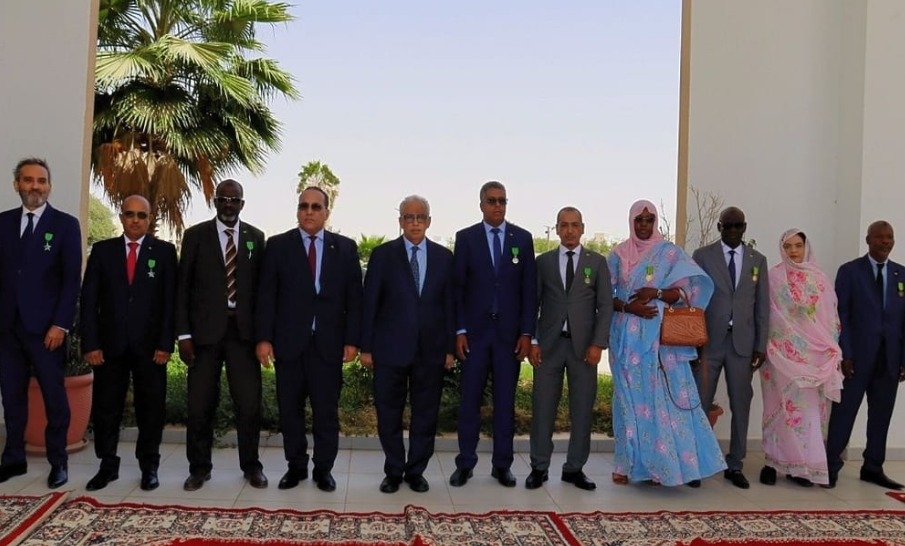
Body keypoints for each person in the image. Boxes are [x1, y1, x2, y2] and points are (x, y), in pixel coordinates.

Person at [607, 199, 725, 487]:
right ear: (631, 221)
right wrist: (629, 307)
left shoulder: (670, 253)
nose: (644, 225)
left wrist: (656, 293)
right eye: (639, 220)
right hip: (627, 343)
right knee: (628, 402)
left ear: (655, 222)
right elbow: (604, 296)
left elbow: (686, 292)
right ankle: (626, 464)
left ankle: (662, 466)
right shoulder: (618, 255)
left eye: (649, 220)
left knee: (663, 404)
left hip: (663, 343)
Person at [256, 186, 362, 493]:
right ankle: (296, 467)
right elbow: (267, 296)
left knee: (326, 414)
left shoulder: (345, 248)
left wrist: (352, 340)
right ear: (298, 210)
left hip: (329, 346)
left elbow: (355, 299)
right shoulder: (278, 246)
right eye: (304, 206)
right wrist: (264, 338)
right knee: (290, 413)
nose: (309, 211)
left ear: (327, 212)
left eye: (316, 206)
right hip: (289, 345)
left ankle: (323, 469)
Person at [80, 195, 177, 491]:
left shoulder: (164, 252)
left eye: (141, 215)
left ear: (149, 219)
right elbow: (89, 300)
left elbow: (170, 302)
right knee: (106, 408)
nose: (135, 220)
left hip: (151, 349)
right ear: (121, 217)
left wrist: (165, 343)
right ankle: (107, 465)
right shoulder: (102, 251)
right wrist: (91, 344)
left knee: (151, 409)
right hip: (110, 347)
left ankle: (149, 466)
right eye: (130, 214)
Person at [176, 180, 268, 491]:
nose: (229, 204)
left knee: (249, 404)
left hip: (243, 335)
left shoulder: (256, 238)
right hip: (204, 334)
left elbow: (261, 291)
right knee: (200, 404)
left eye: (235, 199)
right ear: (215, 202)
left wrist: (263, 336)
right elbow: (183, 288)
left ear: (242, 204)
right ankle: (199, 468)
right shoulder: (195, 236)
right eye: (223, 199)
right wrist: (183, 335)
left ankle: (251, 466)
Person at [360, 195, 455, 494]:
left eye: (420, 217)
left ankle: (416, 471)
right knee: (389, 413)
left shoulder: (444, 257)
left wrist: (449, 348)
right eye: (409, 217)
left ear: (429, 221)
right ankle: (393, 470)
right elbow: (370, 303)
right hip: (389, 349)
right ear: (400, 221)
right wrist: (366, 347)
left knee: (426, 414)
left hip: (431, 350)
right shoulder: (382, 255)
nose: (415, 222)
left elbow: (450, 305)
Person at [0, 158, 81, 489]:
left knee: (54, 398)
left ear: (49, 186)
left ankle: (58, 461)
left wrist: (60, 324)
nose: (35, 186)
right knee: (12, 398)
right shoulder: (3, 223)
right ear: (16, 185)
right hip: (7, 329)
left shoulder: (65, 225)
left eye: (41, 181)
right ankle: (13, 459)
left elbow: (71, 280)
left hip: (47, 331)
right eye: (28, 180)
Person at [450, 181, 537, 488]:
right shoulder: (466, 238)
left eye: (502, 200)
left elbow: (529, 291)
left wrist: (526, 332)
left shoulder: (522, 239)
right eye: (492, 200)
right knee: (469, 403)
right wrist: (460, 330)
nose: (498, 205)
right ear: (481, 204)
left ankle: (502, 465)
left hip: (508, 338)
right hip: (474, 336)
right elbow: (457, 290)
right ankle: (465, 463)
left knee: (505, 405)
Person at [526, 206, 612, 491]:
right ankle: (539, 467)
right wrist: (534, 341)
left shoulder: (597, 262)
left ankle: (574, 468)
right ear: (557, 229)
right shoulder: (544, 262)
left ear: (583, 228)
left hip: (584, 350)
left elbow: (605, 306)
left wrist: (598, 343)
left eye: (575, 225)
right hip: (549, 348)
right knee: (542, 410)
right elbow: (533, 304)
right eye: (564, 225)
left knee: (582, 411)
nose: (570, 230)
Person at [758, 229, 843, 488]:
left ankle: (802, 468)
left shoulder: (819, 279)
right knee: (778, 409)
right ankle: (772, 462)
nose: (793, 251)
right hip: (779, 356)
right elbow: (767, 314)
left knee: (806, 414)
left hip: (811, 360)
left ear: (806, 247)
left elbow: (830, 319)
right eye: (787, 246)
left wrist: (828, 350)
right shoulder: (773, 277)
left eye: (798, 245)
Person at [692, 206, 769, 489]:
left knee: (741, 404)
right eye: (728, 226)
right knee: (700, 403)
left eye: (738, 226)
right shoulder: (703, 256)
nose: (733, 231)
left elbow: (762, 306)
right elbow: (694, 299)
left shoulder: (757, 260)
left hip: (742, 345)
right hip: (709, 343)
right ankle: (696, 463)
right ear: (719, 227)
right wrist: (693, 341)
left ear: (745, 227)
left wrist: (760, 345)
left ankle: (735, 464)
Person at [825, 221, 905, 490]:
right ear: (868, 240)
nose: (886, 241)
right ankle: (830, 466)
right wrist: (845, 353)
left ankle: (873, 467)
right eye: (880, 237)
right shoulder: (850, 272)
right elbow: (841, 315)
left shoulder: (901, 274)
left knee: (881, 416)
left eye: (890, 237)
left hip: (889, 359)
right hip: (856, 359)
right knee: (844, 413)